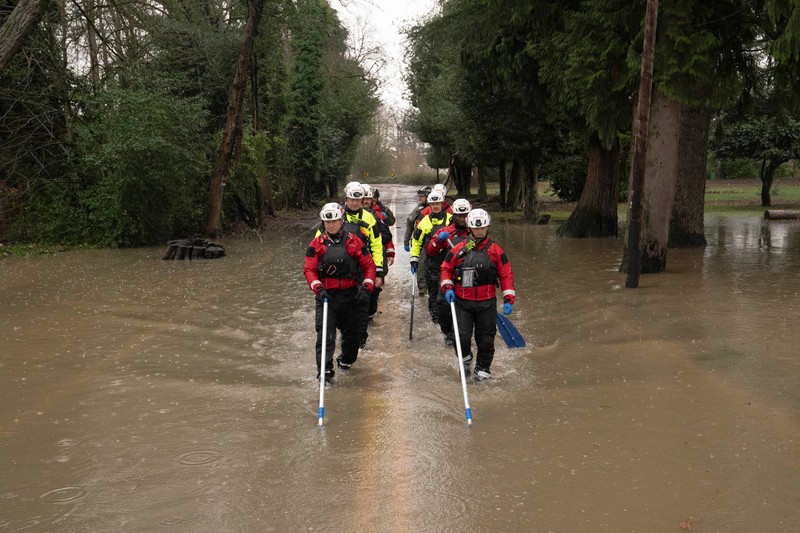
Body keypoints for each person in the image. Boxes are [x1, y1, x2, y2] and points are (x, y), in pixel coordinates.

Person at [439, 208, 516, 382]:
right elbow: (446, 269)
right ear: (470, 228)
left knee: (486, 339)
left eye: (482, 228)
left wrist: (508, 298)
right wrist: (448, 288)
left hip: (486, 303)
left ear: (487, 227)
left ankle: (483, 368)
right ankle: (465, 359)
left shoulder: (496, 251)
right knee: (461, 336)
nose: (480, 231)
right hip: (462, 302)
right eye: (476, 228)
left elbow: (506, 275)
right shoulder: (460, 249)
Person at [304, 203, 377, 383]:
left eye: (334, 221)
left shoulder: (354, 241)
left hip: (351, 296)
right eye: (327, 221)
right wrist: (318, 289)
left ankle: (345, 361)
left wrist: (367, 287)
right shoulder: (316, 244)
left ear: (341, 221)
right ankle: (325, 371)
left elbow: (368, 265)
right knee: (325, 336)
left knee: (353, 338)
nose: (331, 225)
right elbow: (309, 270)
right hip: (327, 297)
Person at [425, 198, 472, 346]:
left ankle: (463, 332)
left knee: (466, 307)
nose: (463, 219)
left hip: (469, 275)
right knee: (443, 306)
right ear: (454, 215)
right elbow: (430, 251)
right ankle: (447, 332)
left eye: (466, 215)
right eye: (459, 215)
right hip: (448, 275)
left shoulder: (475, 232)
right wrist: (438, 241)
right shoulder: (445, 231)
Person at [410, 190, 452, 324]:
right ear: (429, 204)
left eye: (438, 203)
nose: (435, 206)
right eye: (432, 204)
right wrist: (414, 259)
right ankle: (435, 318)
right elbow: (416, 242)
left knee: (447, 291)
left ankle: (449, 317)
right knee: (433, 293)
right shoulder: (424, 222)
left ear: (442, 203)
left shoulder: (451, 219)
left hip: (449, 261)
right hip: (431, 262)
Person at [361, 184, 395, 321]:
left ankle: (370, 311)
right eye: (363, 199)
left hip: (374, 256)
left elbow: (387, 235)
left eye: (368, 199)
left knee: (374, 287)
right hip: (354, 260)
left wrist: (390, 251)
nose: (365, 201)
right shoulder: (344, 217)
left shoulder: (377, 216)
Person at [404, 186, 431, 296]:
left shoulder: (438, 209)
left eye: (422, 197)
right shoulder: (417, 210)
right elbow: (410, 224)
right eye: (419, 197)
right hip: (420, 241)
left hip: (434, 241)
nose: (420, 199)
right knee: (420, 265)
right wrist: (406, 241)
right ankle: (422, 288)